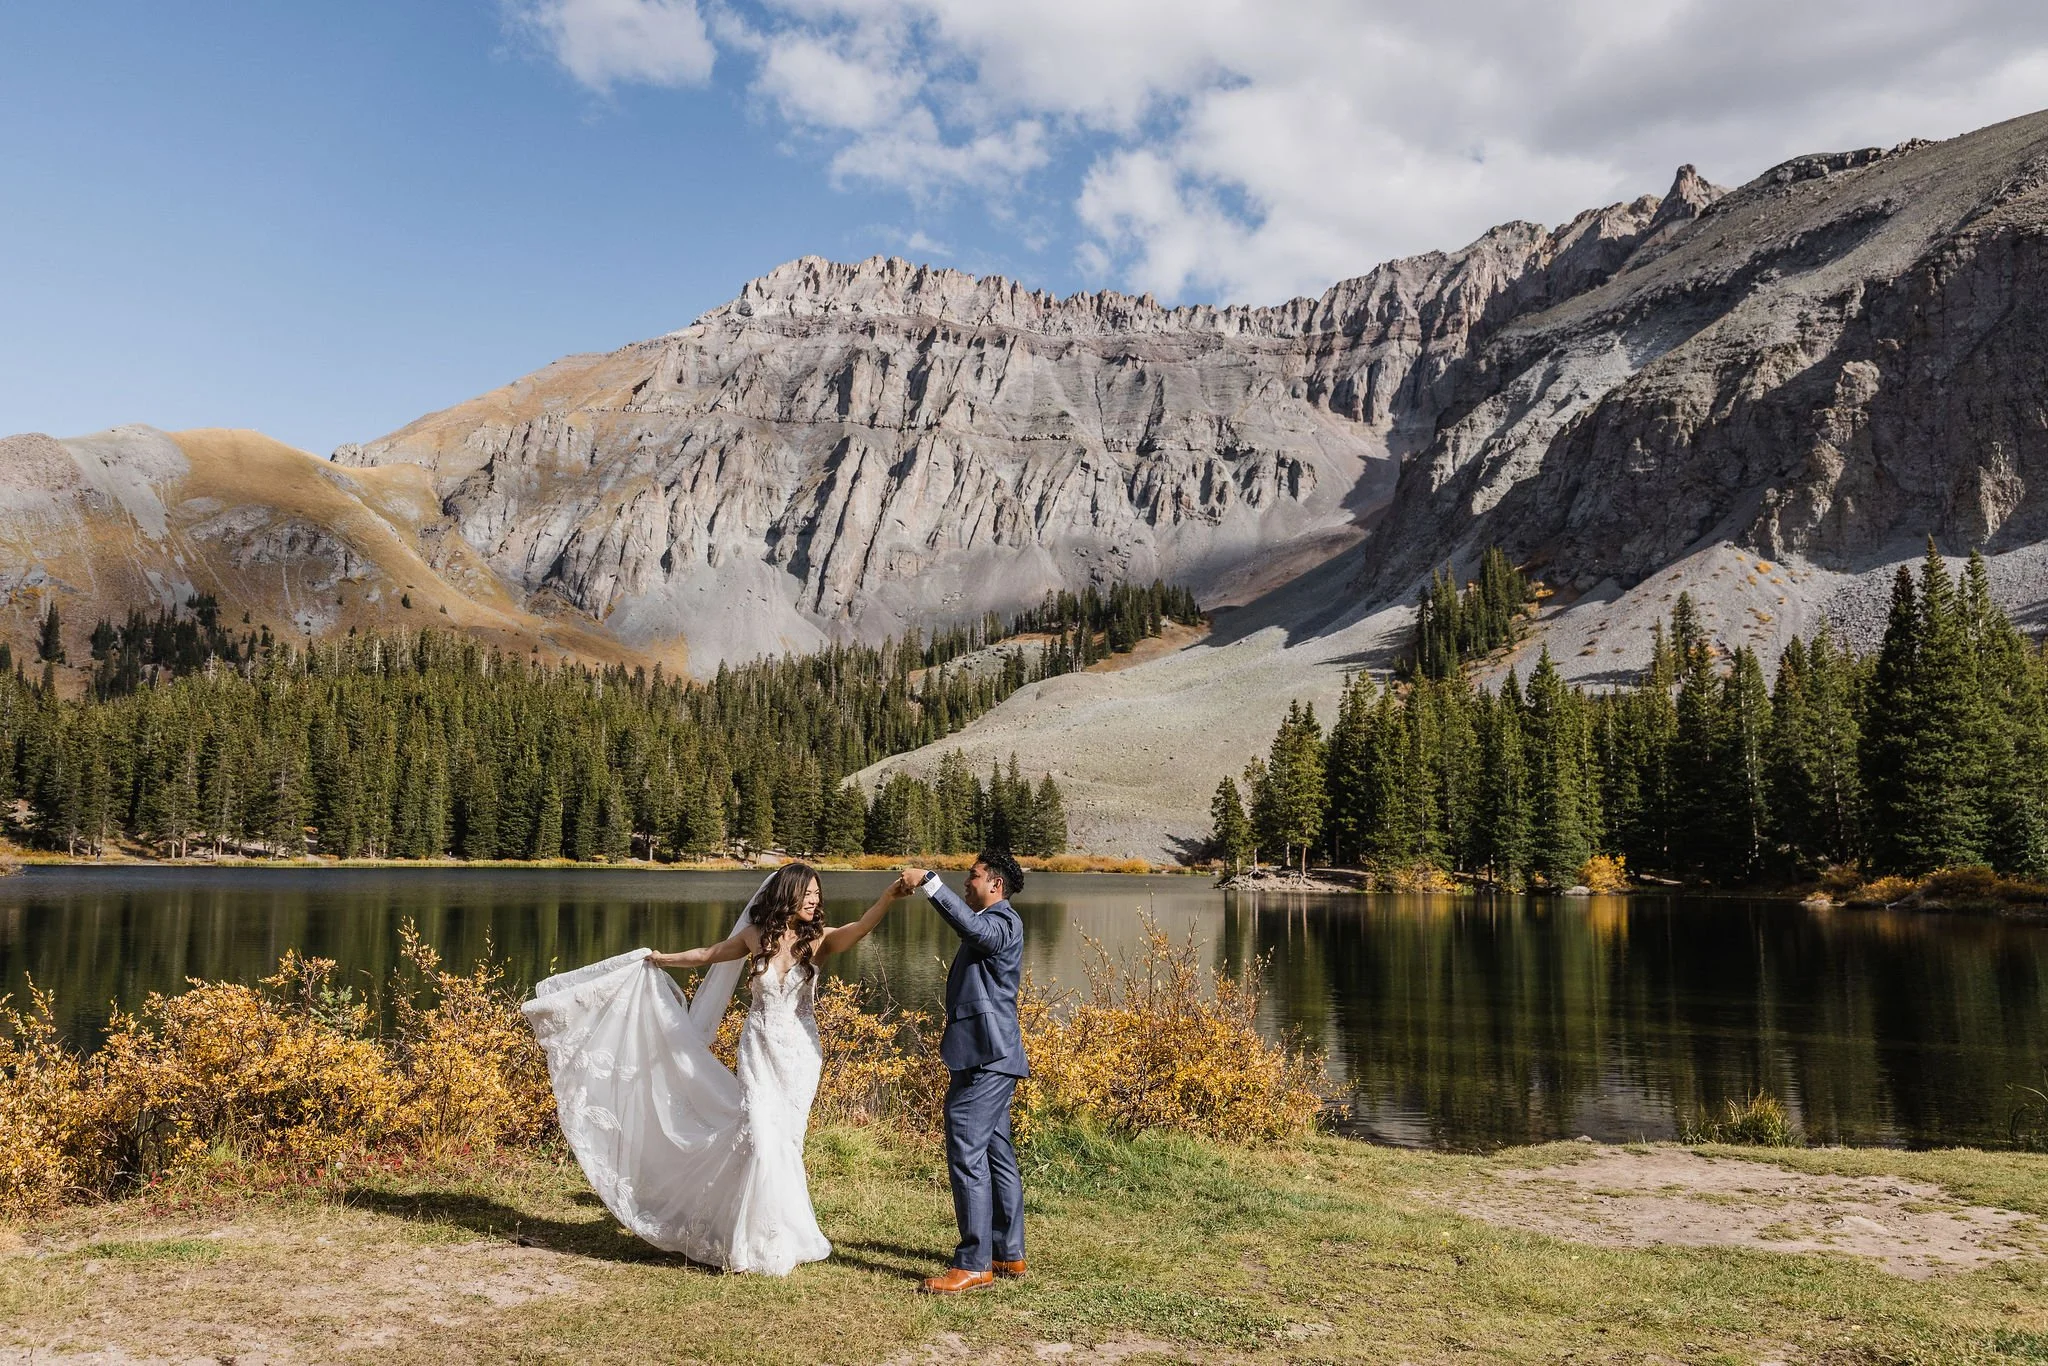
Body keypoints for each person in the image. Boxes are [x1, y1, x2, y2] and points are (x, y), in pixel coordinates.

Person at [522, 862, 908, 1274]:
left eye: (818, 894)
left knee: (786, 1140)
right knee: (760, 1134)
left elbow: (860, 928)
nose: (815, 900)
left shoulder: (819, 941)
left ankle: (778, 1235)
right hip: (759, 1048)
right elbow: (709, 955)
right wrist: (663, 958)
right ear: (788, 895)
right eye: (807, 893)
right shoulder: (755, 936)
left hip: (800, 1055)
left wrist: (888, 897)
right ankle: (750, 1240)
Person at [900, 850, 1029, 1294]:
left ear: (995, 885)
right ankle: (1006, 1252)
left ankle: (974, 1263)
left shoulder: (1002, 922)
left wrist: (928, 881)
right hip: (990, 1055)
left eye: (972, 876)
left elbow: (974, 930)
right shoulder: (996, 921)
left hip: (987, 1058)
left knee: (967, 1149)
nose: (966, 882)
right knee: (995, 1152)